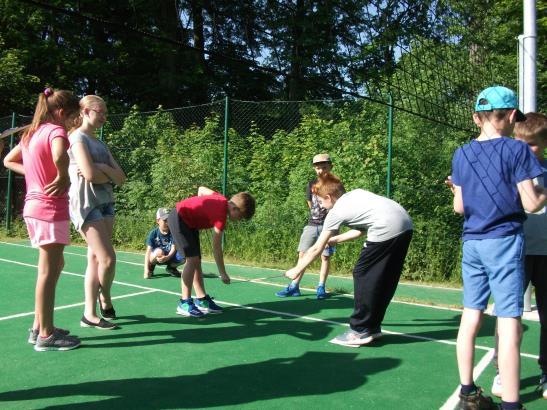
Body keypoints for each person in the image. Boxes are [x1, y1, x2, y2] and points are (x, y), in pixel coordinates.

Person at [450, 86, 547, 410]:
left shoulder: (461, 154)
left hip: (472, 243)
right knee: (508, 321)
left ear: (477, 118)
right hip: (504, 241)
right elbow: (532, 204)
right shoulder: (515, 150)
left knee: (471, 316)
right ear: (508, 116)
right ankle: (511, 405)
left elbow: (460, 208)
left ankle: (467, 392)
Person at [285, 173, 413, 347]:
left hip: (386, 228)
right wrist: (335, 239)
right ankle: (372, 327)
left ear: (329, 197)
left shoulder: (335, 212)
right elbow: (360, 230)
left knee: (362, 274)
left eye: (321, 202)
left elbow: (316, 248)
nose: (321, 206)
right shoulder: (355, 195)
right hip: (405, 224)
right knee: (384, 277)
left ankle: (359, 330)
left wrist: (297, 269)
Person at [3, 87, 82, 351]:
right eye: (73, 116)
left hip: (35, 207)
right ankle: (46, 335)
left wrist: (36, 175)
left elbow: (7, 160)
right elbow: (60, 154)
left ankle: (39, 326)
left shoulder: (31, 133)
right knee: (48, 272)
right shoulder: (56, 131)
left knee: (55, 265)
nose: (74, 122)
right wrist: (63, 175)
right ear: (61, 112)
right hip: (49, 209)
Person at [490, 112, 547, 401]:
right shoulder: (507, 169)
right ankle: (503, 369)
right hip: (515, 252)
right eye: (521, 142)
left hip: (546, 254)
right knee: (508, 316)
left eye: (533, 144)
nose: (526, 149)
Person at [68, 95, 126, 330]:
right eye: (98, 111)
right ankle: (103, 300)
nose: (103, 116)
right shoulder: (77, 137)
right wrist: (105, 173)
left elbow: (120, 178)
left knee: (95, 258)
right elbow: (89, 176)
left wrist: (102, 167)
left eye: (105, 112)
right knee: (107, 258)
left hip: (106, 202)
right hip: (86, 203)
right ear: (84, 112)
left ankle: (91, 312)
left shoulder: (100, 144)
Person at [168, 186, 255, 317]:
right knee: (191, 260)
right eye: (241, 217)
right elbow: (216, 248)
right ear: (234, 209)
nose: (239, 220)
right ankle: (184, 302)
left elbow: (201, 189)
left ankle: (201, 299)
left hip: (189, 223)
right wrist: (223, 273)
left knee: (196, 261)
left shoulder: (220, 198)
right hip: (179, 218)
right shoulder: (221, 217)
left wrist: (200, 210)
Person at [276, 153, 335, 299]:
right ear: (314, 169)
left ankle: (321, 287)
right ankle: (294, 286)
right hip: (311, 225)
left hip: (329, 227)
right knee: (302, 254)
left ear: (330, 167)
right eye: (318, 168)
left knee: (325, 257)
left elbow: (338, 207)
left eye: (324, 167)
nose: (321, 170)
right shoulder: (310, 184)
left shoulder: (336, 185)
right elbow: (311, 205)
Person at [144, 207, 185, 279]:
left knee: (184, 254)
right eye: (165, 220)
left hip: (169, 256)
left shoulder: (173, 232)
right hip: (158, 257)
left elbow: (173, 247)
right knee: (158, 251)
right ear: (158, 220)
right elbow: (148, 252)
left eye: (168, 220)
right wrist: (146, 270)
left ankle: (171, 268)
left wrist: (167, 257)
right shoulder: (153, 233)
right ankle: (151, 268)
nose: (167, 223)